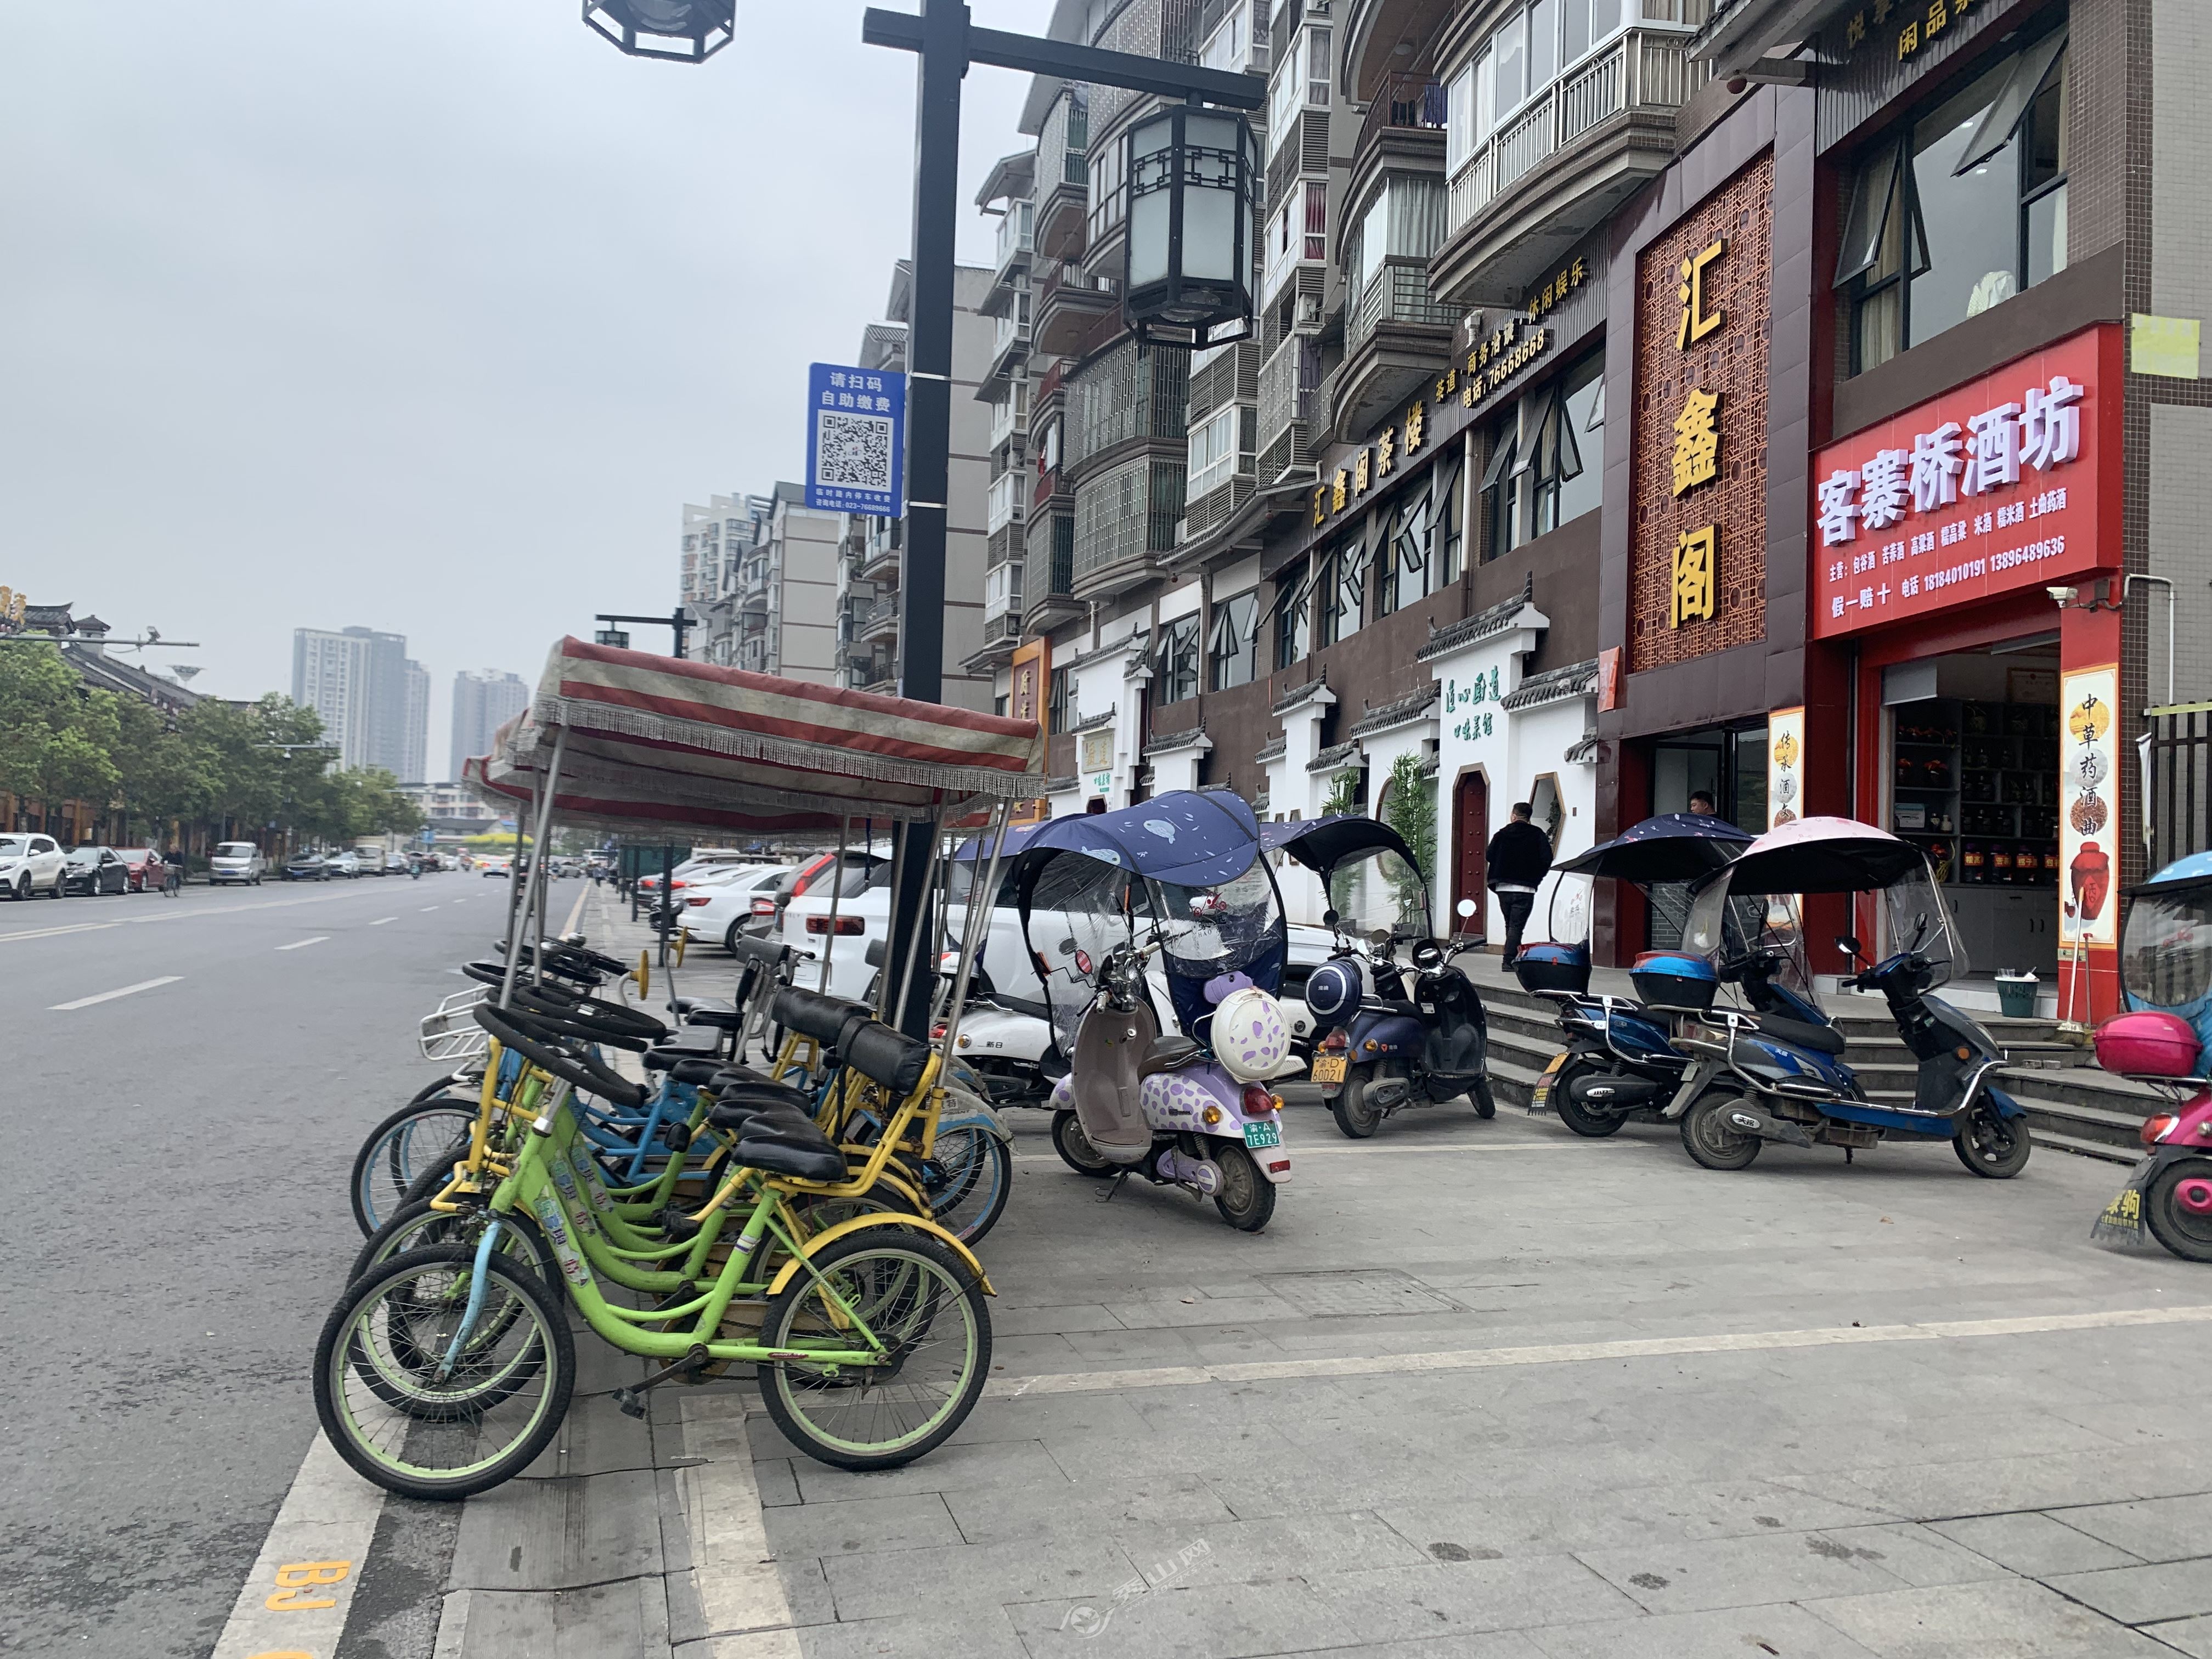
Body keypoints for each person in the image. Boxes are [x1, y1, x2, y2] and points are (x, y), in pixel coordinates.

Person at [1485, 803, 1554, 967]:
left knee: (1510, 925)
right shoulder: (1537, 834)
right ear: (1528, 817)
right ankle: (1508, 961)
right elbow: (1547, 859)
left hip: (1503, 888)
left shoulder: (1501, 834)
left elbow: (1489, 855)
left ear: (1514, 815)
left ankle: (1512, 958)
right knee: (1516, 927)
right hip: (1525, 888)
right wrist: (1537, 877)